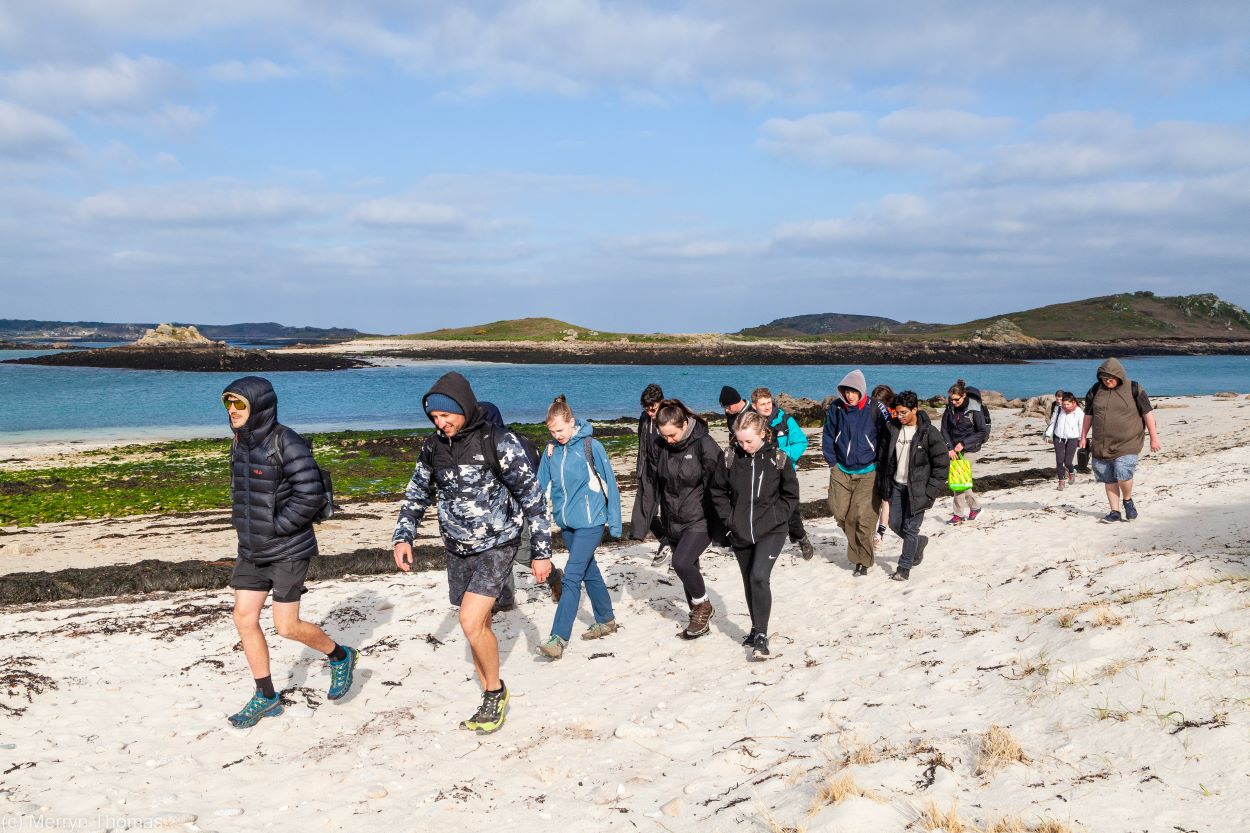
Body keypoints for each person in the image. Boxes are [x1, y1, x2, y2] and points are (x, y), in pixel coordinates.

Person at [392, 372, 553, 735]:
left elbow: (535, 502)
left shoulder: (499, 442)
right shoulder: (433, 448)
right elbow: (416, 493)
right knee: (478, 624)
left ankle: (495, 693)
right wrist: (404, 537)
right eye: (434, 417)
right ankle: (487, 691)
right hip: (456, 548)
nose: (440, 422)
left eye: (446, 415)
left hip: (498, 544)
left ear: (463, 406)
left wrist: (541, 553)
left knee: (468, 620)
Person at [221, 377, 357, 729]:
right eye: (228, 404)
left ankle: (340, 656)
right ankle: (266, 696)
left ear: (259, 406)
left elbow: (310, 493)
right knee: (243, 617)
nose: (233, 411)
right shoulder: (239, 443)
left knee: (287, 626)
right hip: (251, 549)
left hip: (287, 549)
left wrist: (278, 527)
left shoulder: (286, 441)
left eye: (240, 404)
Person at [535, 395, 623, 659]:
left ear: (572, 422)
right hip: (567, 524)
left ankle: (558, 638)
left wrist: (615, 524)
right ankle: (606, 620)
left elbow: (611, 484)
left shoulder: (591, 446)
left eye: (560, 430)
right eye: (552, 431)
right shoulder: (551, 452)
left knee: (571, 577)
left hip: (591, 522)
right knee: (589, 571)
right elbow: (540, 488)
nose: (557, 435)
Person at [710, 411, 800, 660]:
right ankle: (754, 627)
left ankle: (761, 635)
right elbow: (717, 492)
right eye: (739, 441)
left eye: (748, 441)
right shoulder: (729, 457)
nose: (744, 445)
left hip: (771, 529)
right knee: (749, 579)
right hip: (739, 530)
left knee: (760, 576)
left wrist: (775, 518)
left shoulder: (779, 458)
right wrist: (729, 521)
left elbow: (790, 496)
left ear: (762, 433)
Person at [653, 398, 724, 638]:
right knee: (688, 569)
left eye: (672, 435)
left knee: (680, 563)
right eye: (664, 436)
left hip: (700, 518)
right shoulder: (662, 446)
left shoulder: (704, 444)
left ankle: (703, 606)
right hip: (672, 518)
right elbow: (655, 483)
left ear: (684, 424)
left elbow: (722, 482)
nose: (669, 440)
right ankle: (698, 620)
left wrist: (728, 519)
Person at [483, 401, 563, 611]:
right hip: (493, 511)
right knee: (496, 551)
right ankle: (506, 598)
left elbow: (534, 479)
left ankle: (555, 576)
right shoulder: (480, 444)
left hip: (520, 509)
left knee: (523, 553)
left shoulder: (515, 443)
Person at [875, 391, 949, 581]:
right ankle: (918, 543)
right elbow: (883, 459)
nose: (899, 417)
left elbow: (942, 465)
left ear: (915, 410)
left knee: (910, 529)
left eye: (903, 413)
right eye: (897, 412)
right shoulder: (891, 428)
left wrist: (930, 491)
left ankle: (903, 568)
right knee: (893, 523)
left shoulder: (928, 433)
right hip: (896, 486)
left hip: (919, 490)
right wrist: (884, 484)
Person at [821, 370, 889, 577]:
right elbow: (828, 434)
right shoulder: (836, 407)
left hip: (869, 470)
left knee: (862, 517)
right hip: (841, 469)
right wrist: (831, 462)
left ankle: (863, 561)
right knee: (840, 512)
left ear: (861, 390)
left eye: (853, 391)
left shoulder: (876, 407)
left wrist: (881, 463)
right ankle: (859, 549)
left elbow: (888, 436)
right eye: (846, 391)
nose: (849, 395)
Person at [1080, 358, 1161, 523]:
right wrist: (1083, 436)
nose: (1107, 381)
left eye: (1110, 378)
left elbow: (1147, 413)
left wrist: (1154, 438)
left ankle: (1127, 501)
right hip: (1102, 443)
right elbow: (1088, 415)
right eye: (1104, 379)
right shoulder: (1095, 390)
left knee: (1123, 473)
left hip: (1128, 442)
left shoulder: (1134, 388)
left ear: (1119, 376)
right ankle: (1115, 512)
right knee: (1108, 477)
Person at [750, 387, 815, 560]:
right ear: (754, 405)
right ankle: (759, 544)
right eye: (762, 404)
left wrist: (781, 454)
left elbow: (801, 442)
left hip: (784, 473)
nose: (767, 407)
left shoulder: (785, 420)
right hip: (759, 475)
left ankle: (801, 538)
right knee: (760, 509)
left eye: (769, 403)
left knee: (791, 511)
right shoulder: (750, 422)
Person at [630, 383, 671, 566]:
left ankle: (676, 552)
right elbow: (642, 445)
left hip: (668, 472)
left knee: (670, 513)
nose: (649, 412)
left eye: (652, 408)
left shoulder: (671, 416)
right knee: (646, 512)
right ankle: (665, 540)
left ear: (661, 402)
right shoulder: (644, 418)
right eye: (646, 408)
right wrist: (640, 468)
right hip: (647, 471)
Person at [940, 379, 988, 525]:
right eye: (951, 399)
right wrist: (949, 448)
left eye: (956, 399)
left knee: (958, 480)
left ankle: (958, 515)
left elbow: (982, 432)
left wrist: (964, 444)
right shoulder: (949, 408)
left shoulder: (975, 409)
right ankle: (976, 508)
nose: (953, 402)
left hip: (970, 449)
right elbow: (944, 429)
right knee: (960, 481)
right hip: (953, 449)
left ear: (964, 395)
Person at [871, 384, 897, 545]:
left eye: (880, 404)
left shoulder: (894, 415)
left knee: (885, 498)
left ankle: (880, 532)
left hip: (889, 461)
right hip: (875, 459)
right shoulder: (876, 415)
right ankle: (875, 531)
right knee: (877, 497)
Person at [1045, 392, 1084, 490]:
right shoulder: (1058, 409)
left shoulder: (1079, 412)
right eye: (1064, 404)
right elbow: (1053, 422)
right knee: (1059, 461)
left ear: (1073, 403)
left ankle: (1071, 472)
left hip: (1072, 438)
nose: (1065, 406)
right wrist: (1047, 434)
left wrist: (1082, 438)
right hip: (1058, 437)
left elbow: (1082, 426)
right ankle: (1061, 482)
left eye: (1068, 404)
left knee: (1067, 462)